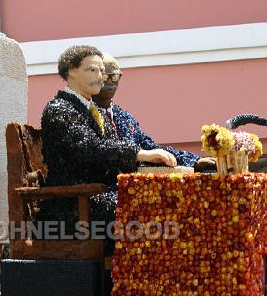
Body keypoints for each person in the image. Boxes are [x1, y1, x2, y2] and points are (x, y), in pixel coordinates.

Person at [40, 45, 181, 235]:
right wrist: (139, 153)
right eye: (92, 69)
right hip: (74, 205)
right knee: (149, 212)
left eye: (101, 70)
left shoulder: (95, 110)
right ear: (71, 71)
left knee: (165, 200)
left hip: (100, 197)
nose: (100, 76)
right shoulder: (59, 109)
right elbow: (91, 148)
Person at [92, 53, 216, 170]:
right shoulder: (85, 114)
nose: (110, 81)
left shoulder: (124, 117)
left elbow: (151, 148)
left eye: (114, 76)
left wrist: (195, 162)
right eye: (105, 76)